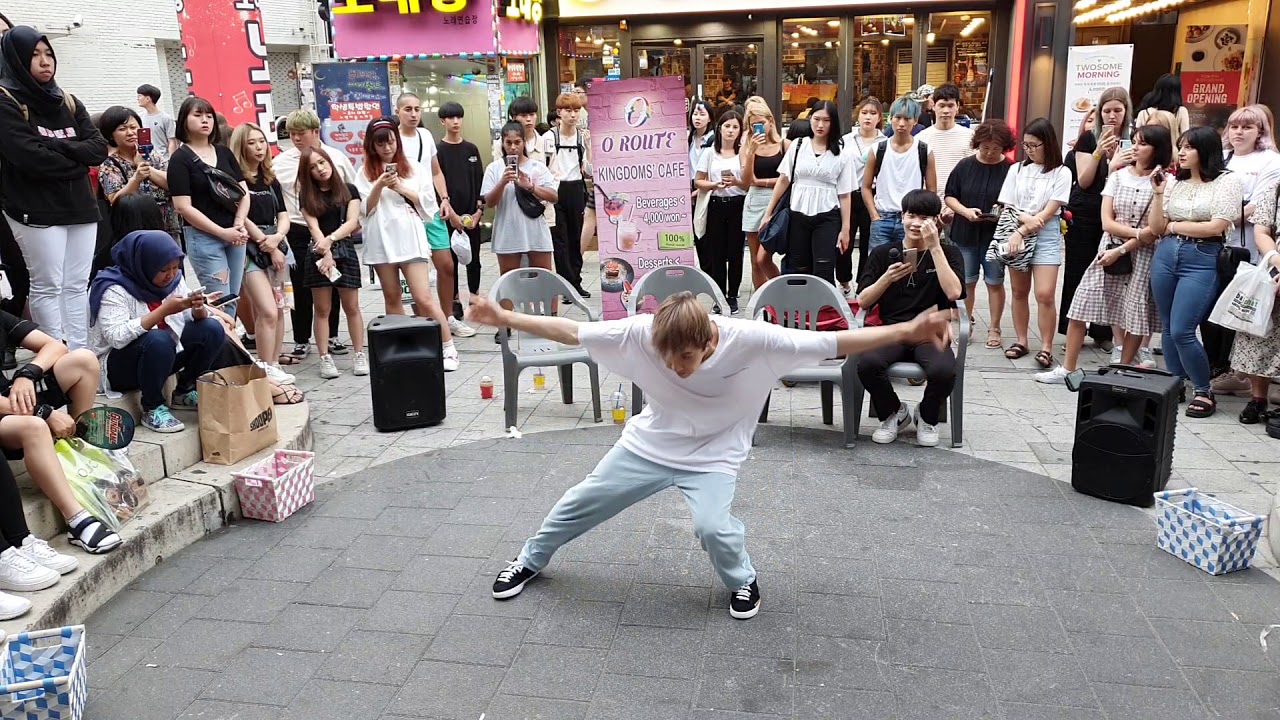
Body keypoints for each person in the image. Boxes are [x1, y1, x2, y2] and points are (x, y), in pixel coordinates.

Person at [473, 289, 951, 618]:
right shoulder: (642, 332)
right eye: (666, 358)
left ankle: (744, 580)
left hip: (715, 455)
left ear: (708, 341)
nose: (675, 368)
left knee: (712, 526)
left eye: (685, 359)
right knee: (580, 500)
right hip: (651, 444)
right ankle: (530, 560)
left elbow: (836, 341)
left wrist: (908, 329)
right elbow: (572, 331)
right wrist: (507, 319)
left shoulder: (754, 340)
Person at [1037, 125, 1172, 384]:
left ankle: (1122, 369)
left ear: (1158, 148)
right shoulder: (1119, 176)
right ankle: (1067, 368)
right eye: (1134, 141)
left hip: (1141, 256)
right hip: (1108, 247)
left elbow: (1156, 229)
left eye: (1143, 143)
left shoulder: (1165, 181)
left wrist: (1132, 241)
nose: (1136, 147)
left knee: (1134, 313)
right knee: (1080, 305)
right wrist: (1138, 234)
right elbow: (1107, 222)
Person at [0, 26, 108, 351]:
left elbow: (98, 148)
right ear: (15, 60)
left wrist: (58, 149)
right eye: (35, 55)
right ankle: (56, 358)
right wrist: (77, 156)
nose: (45, 62)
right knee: (48, 285)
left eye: (49, 54)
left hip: (80, 206)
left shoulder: (68, 101)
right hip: (35, 209)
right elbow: (29, 157)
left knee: (76, 285)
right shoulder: (6, 101)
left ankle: (79, 357)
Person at [1, 297, 120, 557]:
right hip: (7, 418)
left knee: (84, 360)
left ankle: (78, 449)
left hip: (13, 399)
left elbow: (54, 346)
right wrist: (43, 412)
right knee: (34, 426)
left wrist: (27, 373)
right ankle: (77, 521)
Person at [88, 230, 235, 435]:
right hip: (120, 365)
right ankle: (152, 407)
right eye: (164, 269)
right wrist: (163, 311)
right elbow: (116, 337)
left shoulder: (174, 281)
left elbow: (187, 321)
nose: (172, 274)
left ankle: (185, 390)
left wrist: (198, 308)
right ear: (145, 265)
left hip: (162, 354)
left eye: (176, 267)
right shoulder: (113, 288)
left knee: (211, 328)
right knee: (159, 338)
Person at [856, 189, 964, 446]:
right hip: (893, 330)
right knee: (867, 364)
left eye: (925, 217)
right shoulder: (884, 253)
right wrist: (887, 278)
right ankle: (894, 412)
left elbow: (954, 292)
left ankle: (926, 416)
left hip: (930, 332)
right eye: (911, 215)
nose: (916, 223)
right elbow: (863, 300)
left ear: (936, 220)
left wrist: (935, 247)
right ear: (902, 216)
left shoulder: (949, 254)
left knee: (944, 370)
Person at [1149, 126, 1243, 418]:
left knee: (1182, 329)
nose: (1182, 153)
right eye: (1180, 147)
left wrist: (1174, 226)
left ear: (1206, 150)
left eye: (1189, 147)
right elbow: (1155, 228)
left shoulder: (1227, 181)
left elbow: (1217, 226)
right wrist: (1158, 194)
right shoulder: (1174, 182)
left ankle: (1203, 389)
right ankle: (1174, 384)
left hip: (1202, 256)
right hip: (1165, 254)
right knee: (1166, 325)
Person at [356, 117, 460, 371]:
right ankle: (400, 347)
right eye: (380, 144)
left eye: (390, 141)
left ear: (397, 141)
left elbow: (428, 204)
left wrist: (400, 186)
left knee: (423, 297)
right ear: (372, 145)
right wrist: (379, 185)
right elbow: (364, 210)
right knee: (392, 297)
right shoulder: (364, 172)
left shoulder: (413, 167)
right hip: (382, 239)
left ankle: (447, 346)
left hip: (410, 238)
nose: (386, 148)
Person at [275, 109, 355, 364]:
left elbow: (351, 192)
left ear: (316, 132)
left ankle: (332, 335)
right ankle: (300, 339)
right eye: (292, 134)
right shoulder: (281, 162)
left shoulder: (336, 159)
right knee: (300, 286)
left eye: (301, 133)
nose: (296, 139)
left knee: (333, 283)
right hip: (298, 230)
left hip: (333, 228)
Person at [1061, 87, 1132, 356]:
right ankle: (1071, 329)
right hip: (1087, 213)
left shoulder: (1133, 139)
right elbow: (1084, 180)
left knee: (1110, 275)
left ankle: (1103, 333)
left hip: (1119, 215)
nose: (1112, 115)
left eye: (1117, 110)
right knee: (1077, 272)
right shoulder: (1088, 139)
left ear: (1126, 111)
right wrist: (1100, 153)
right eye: (1107, 110)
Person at [997, 118, 1071, 369]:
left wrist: (1027, 226)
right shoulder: (1016, 169)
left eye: (1033, 145)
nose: (1028, 150)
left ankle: (1047, 346)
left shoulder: (1062, 172)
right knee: (1019, 291)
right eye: (1025, 145)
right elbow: (1007, 204)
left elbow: (1052, 209)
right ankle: (1021, 340)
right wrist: (1023, 222)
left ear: (1047, 144)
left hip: (1046, 231)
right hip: (1017, 224)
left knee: (1045, 293)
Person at [168, 96, 251, 317]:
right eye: (197, 115)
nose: (205, 120)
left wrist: (239, 223)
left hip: (236, 234)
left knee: (232, 297)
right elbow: (183, 207)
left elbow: (243, 192)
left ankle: (228, 347)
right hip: (203, 236)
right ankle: (220, 347)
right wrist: (223, 232)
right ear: (184, 120)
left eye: (209, 116)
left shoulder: (224, 152)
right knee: (218, 300)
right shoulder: (179, 159)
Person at [229, 122, 295, 386]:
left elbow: (283, 214)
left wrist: (277, 239)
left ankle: (275, 363)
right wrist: (265, 241)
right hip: (251, 249)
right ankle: (265, 367)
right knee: (266, 310)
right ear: (241, 146)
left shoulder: (270, 179)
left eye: (261, 141)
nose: (259, 147)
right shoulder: (236, 179)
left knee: (280, 308)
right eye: (251, 142)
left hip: (277, 246)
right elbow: (240, 217)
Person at [760, 101, 852, 286]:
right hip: (797, 213)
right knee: (797, 267)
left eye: (826, 120)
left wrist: (846, 228)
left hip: (828, 215)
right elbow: (783, 180)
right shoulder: (798, 145)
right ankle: (797, 310)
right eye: (816, 119)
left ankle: (824, 312)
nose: (820, 125)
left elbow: (845, 193)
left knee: (824, 268)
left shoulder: (842, 152)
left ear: (833, 122)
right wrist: (768, 213)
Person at [298, 146, 368, 380]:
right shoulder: (307, 196)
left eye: (322, 163)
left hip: (344, 248)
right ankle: (324, 357)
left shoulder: (349, 190)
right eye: (313, 167)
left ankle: (359, 354)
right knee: (322, 308)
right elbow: (313, 227)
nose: (320, 169)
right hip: (318, 252)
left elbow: (352, 222)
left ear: (330, 162)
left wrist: (330, 240)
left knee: (352, 306)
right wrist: (325, 249)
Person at [944, 119, 1015, 347]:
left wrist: (1005, 211)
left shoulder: (1012, 169)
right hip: (965, 232)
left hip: (996, 235)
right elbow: (950, 196)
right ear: (978, 144)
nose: (990, 153)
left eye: (996, 149)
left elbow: (1018, 200)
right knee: (966, 282)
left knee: (994, 281)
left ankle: (994, 328)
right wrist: (965, 211)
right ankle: (967, 323)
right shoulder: (965, 166)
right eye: (985, 148)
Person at [395, 93, 464, 320]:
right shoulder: (392, 138)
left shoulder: (425, 135)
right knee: (414, 268)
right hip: (404, 209)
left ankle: (446, 318)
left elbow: (435, 171)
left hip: (430, 207)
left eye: (417, 109)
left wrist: (444, 199)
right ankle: (423, 319)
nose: (413, 114)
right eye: (408, 109)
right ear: (398, 112)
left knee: (446, 264)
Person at [482, 122, 558, 287]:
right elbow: (489, 202)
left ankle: (550, 313)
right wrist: (503, 182)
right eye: (508, 143)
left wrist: (531, 187)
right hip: (507, 231)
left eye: (517, 142)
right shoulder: (494, 169)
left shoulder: (537, 167)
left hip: (536, 230)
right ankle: (509, 313)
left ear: (524, 142)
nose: (513, 147)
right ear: (502, 143)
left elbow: (553, 196)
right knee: (508, 281)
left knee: (545, 278)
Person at [1230, 180, 1280, 422]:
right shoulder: (1276, 188)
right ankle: (1257, 399)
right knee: (1261, 333)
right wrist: (1277, 262)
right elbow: (1262, 231)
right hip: (1274, 267)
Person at [96, 105, 180, 250]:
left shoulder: (153, 156)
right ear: (111, 135)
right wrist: (136, 178)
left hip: (167, 229)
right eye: (122, 129)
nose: (130, 133)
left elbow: (173, 183)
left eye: (134, 127)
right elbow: (115, 199)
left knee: (173, 270)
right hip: (135, 233)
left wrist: (144, 165)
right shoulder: (109, 164)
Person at [863, 96, 937, 250]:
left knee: (910, 264)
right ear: (891, 118)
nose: (902, 123)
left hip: (912, 217)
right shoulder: (878, 149)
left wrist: (923, 217)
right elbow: (866, 186)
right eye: (897, 117)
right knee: (879, 265)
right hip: (883, 216)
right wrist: (874, 215)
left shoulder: (924, 150)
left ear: (915, 121)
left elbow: (931, 190)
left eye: (907, 118)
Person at [436, 101, 485, 324]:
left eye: (459, 117)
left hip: (471, 216)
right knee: (451, 261)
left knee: (474, 259)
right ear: (442, 121)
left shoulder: (471, 149)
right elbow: (438, 185)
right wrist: (453, 216)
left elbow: (480, 184)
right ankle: (455, 301)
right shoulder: (438, 151)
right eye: (450, 118)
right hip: (448, 216)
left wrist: (478, 213)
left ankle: (474, 300)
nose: (455, 122)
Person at [694, 110, 747, 313]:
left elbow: (748, 184)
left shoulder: (743, 153)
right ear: (719, 128)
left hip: (737, 204)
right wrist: (714, 184)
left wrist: (736, 181)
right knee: (716, 254)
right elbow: (698, 180)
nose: (731, 131)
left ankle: (732, 295)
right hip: (715, 204)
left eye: (735, 127)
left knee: (735, 253)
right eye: (727, 126)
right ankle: (719, 296)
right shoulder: (709, 153)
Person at [543, 92, 593, 299]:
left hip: (576, 189)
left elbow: (589, 169)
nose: (573, 115)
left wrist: (589, 147)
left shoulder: (582, 137)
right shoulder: (549, 137)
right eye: (568, 110)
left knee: (576, 237)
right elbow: (544, 167)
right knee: (560, 240)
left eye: (576, 110)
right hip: (555, 190)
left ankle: (576, 282)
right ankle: (566, 286)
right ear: (559, 113)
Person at [839, 97, 887, 293]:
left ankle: (864, 284)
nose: (868, 117)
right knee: (844, 240)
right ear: (857, 115)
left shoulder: (885, 142)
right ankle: (843, 280)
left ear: (880, 118)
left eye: (873, 113)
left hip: (873, 196)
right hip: (848, 194)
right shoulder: (846, 140)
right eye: (864, 112)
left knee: (869, 241)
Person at [740, 98, 788, 289]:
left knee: (765, 257)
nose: (758, 128)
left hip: (779, 204)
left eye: (762, 123)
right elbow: (746, 181)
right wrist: (751, 152)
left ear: (771, 121)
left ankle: (781, 293)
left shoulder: (785, 145)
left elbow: (790, 178)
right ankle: (761, 303)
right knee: (755, 260)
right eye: (754, 125)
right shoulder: (747, 147)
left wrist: (763, 182)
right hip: (754, 202)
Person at [916, 83, 974, 221]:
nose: (946, 111)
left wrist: (957, 206)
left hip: (960, 209)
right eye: (942, 105)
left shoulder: (970, 137)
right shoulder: (921, 138)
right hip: (927, 208)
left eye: (950, 106)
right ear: (933, 106)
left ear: (957, 107)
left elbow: (972, 175)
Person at [1134, 74, 1190, 147]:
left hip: (1148, 152)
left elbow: (1136, 136)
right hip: (1172, 153)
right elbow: (1185, 136)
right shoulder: (1181, 111)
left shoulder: (1144, 113)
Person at [136, 83, 177, 155]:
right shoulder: (139, 117)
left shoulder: (166, 118)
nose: (137, 98)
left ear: (148, 98)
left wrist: (171, 161)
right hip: (145, 159)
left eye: (139, 96)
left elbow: (172, 141)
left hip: (163, 159)